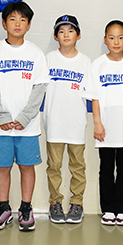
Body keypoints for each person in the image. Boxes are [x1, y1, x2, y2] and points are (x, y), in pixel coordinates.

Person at [0, 1, 49, 232]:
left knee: (27, 166)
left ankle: (26, 208)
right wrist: (1, 116)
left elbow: (40, 88)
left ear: (29, 25)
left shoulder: (36, 54)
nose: (17, 24)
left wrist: (26, 117)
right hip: (0, 125)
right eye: (12, 19)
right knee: (2, 167)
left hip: (27, 126)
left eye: (22, 19)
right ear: (4, 23)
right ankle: (3, 208)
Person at [84, 20, 123, 226]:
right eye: (112, 38)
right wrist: (97, 123)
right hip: (105, 129)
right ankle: (108, 209)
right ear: (105, 40)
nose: (116, 42)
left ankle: (122, 209)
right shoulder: (97, 65)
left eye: (120, 37)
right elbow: (94, 97)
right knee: (106, 168)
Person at [43, 15, 91, 224]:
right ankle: (55, 202)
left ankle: (77, 203)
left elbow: (91, 93)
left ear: (78, 35)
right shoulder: (48, 59)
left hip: (76, 123)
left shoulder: (86, 62)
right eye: (61, 31)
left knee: (77, 167)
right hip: (54, 123)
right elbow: (42, 90)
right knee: (53, 166)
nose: (66, 35)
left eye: (70, 31)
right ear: (55, 36)